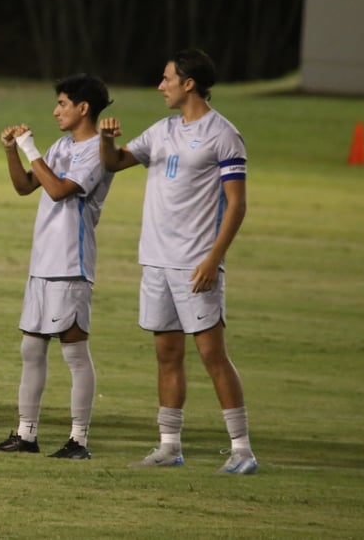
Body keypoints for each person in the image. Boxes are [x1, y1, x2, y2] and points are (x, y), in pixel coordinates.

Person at [99, 48, 258, 475]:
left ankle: (242, 449)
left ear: (188, 83)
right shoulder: (162, 130)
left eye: (167, 78)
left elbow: (236, 205)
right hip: (155, 262)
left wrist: (212, 259)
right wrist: (107, 139)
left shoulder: (223, 134)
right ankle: (170, 446)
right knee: (167, 355)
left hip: (195, 264)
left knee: (212, 355)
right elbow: (113, 163)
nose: (160, 85)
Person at [0, 74, 114, 459]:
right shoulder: (61, 145)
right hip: (42, 262)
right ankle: (26, 435)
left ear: (83, 108)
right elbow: (27, 186)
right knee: (31, 348)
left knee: (74, 353)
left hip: (71, 263)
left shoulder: (97, 151)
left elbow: (59, 191)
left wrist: (29, 147)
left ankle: (79, 440)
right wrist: (13, 151)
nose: (56, 110)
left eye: (62, 103)